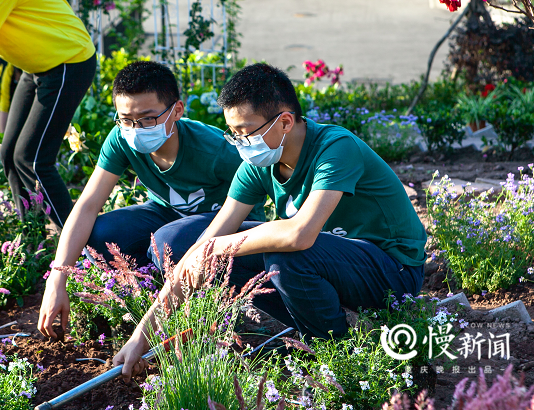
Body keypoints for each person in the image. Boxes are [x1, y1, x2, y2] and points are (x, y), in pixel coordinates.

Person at [113, 63, 427, 382]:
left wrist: (215, 248)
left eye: (245, 132)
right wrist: (142, 335)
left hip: (392, 269)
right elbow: (203, 247)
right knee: (184, 246)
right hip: (329, 261)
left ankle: (341, 360)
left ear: (285, 122)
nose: (239, 143)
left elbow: (300, 235)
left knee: (284, 254)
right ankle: (309, 324)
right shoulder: (260, 165)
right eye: (232, 133)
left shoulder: (335, 148)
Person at [38, 61, 264, 339]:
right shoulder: (121, 139)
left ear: (177, 111)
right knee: (101, 234)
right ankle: (148, 297)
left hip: (225, 227)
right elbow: (86, 205)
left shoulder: (216, 150)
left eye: (148, 118)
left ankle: (211, 309)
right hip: (166, 214)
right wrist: (57, 278)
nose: (137, 129)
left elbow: (254, 208)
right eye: (126, 119)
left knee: (166, 242)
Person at [0, 0, 97, 228]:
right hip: (37, 65)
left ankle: (83, 250)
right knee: (10, 156)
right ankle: (33, 243)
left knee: (32, 159)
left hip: (68, 61)